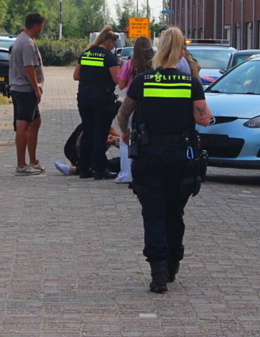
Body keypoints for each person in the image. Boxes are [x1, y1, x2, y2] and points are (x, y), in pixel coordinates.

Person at [117, 27, 213, 294]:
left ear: (158, 50)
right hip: (181, 158)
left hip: (148, 156)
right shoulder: (190, 82)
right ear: (182, 52)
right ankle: (172, 264)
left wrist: (125, 134)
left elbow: (124, 113)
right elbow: (203, 119)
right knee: (174, 212)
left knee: (153, 214)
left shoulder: (143, 80)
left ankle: (157, 272)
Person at [73, 26, 121, 179]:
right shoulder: (108, 57)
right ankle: (100, 169)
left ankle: (84, 168)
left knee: (88, 131)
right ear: (109, 41)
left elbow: (76, 76)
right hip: (102, 98)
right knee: (100, 133)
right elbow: (117, 80)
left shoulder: (85, 54)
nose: (114, 46)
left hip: (84, 96)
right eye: (114, 43)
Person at [9, 13, 46, 175]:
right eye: (42, 26)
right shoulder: (27, 44)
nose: (42, 29)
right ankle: (21, 165)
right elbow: (29, 68)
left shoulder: (21, 39)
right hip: (25, 90)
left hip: (20, 88)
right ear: (36, 25)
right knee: (23, 127)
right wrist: (36, 89)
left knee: (35, 122)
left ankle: (33, 160)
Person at [116, 36, 154, 183]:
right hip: (150, 104)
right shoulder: (155, 64)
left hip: (131, 103)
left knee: (127, 136)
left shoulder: (129, 64)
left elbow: (120, 85)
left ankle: (126, 173)